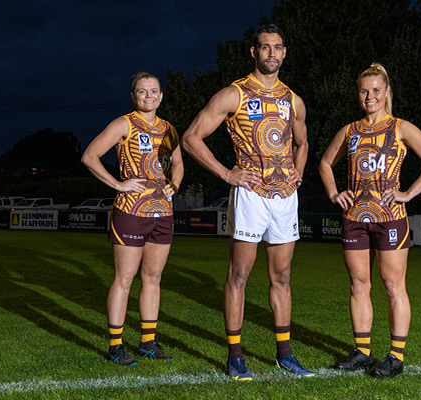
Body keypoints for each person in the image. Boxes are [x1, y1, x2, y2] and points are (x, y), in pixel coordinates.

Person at [181, 24, 313, 380]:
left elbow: (302, 142)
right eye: (265, 47)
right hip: (251, 194)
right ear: (253, 52)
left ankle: (285, 354)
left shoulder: (293, 100)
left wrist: (299, 171)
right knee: (239, 275)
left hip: (285, 196)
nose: (271, 53)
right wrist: (226, 174)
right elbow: (191, 138)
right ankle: (235, 356)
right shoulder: (234, 94)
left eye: (277, 47)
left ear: (285, 53)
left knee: (282, 276)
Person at [319, 64, 421, 378]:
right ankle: (362, 353)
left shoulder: (400, 127)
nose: (370, 96)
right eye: (364, 91)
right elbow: (324, 162)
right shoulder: (350, 130)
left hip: (390, 218)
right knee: (359, 285)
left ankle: (396, 357)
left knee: (393, 286)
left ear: (387, 92)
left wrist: (409, 193)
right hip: (354, 218)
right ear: (358, 94)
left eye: (376, 90)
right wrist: (335, 194)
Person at [81, 72, 184, 366]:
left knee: (153, 278)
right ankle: (115, 345)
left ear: (161, 96)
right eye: (142, 91)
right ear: (134, 96)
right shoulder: (124, 123)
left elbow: (178, 165)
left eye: (154, 91)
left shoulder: (169, 129)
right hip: (130, 211)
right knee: (124, 279)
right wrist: (117, 184)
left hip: (162, 212)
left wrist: (174, 185)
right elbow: (90, 156)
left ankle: (148, 343)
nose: (148, 96)